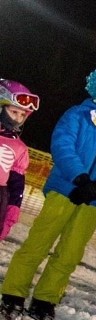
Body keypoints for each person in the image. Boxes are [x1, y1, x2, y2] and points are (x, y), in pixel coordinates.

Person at [0, 62, 96, 320]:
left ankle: (45, 299)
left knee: (70, 253)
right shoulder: (79, 114)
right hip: (66, 189)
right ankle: (12, 293)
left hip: (94, 200)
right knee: (38, 243)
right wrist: (80, 177)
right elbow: (62, 143)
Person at [0, 79, 39, 241]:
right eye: (14, 112)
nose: (17, 119)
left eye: (22, 115)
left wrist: (13, 207)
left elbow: (17, 182)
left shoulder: (20, 147)